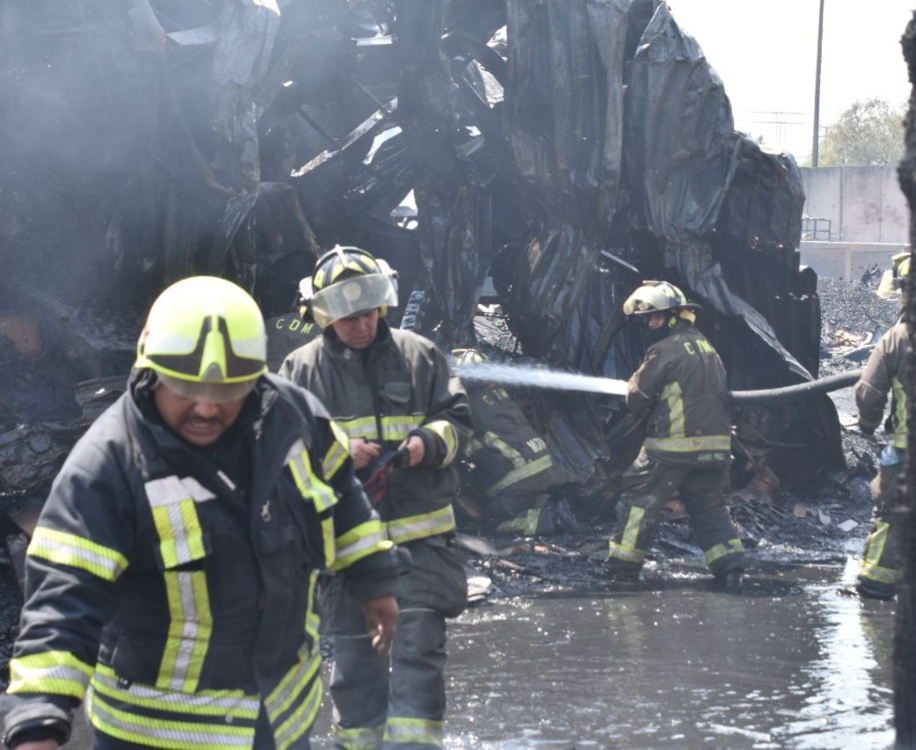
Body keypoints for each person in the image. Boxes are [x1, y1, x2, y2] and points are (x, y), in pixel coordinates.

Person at [1, 276, 400, 750]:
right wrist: (37, 719)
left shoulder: (292, 418)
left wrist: (374, 578)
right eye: (186, 387)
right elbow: (63, 599)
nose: (207, 408)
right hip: (157, 735)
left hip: (281, 722)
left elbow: (342, 497)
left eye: (227, 389)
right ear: (150, 371)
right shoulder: (107, 465)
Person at [278, 246, 472, 750]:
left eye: (367, 314)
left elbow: (460, 424)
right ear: (323, 316)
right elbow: (280, 454)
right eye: (347, 319)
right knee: (355, 664)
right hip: (345, 554)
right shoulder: (300, 370)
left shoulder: (420, 355)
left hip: (422, 544)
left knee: (419, 654)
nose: (360, 327)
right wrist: (339, 452)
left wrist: (424, 445)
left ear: (382, 307)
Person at [604, 280, 746, 589]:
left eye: (655, 318)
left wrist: (634, 383)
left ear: (673, 317)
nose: (650, 324)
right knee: (710, 507)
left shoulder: (665, 350)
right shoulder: (708, 348)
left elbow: (636, 397)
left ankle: (622, 570)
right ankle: (730, 567)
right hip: (716, 449)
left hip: (672, 447)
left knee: (638, 499)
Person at [450, 348, 577, 536]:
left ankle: (552, 519)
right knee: (523, 497)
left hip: (519, 478)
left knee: (494, 522)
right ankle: (543, 505)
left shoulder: (463, 406)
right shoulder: (499, 394)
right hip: (547, 468)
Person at [854, 252, 913, 600]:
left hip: (910, 452)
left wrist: (866, 425)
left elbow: (867, 391)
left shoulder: (898, 337)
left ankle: (875, 586)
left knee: (891, 515)